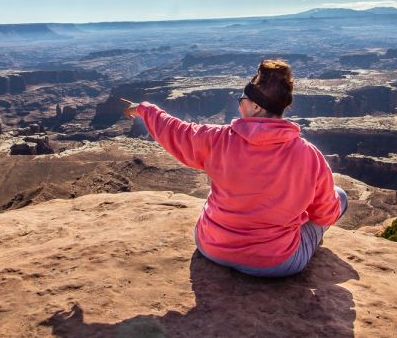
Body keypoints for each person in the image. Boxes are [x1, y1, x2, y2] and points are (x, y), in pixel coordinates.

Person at [123, 59, 348, 278]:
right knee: (340, 197)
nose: (240, 104)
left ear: (256, 106)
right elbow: (325, 214)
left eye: (243, 100)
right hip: (275, 264)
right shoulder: (309, 155)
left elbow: (176, 131)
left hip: (212, 247)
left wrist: (144, 110)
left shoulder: (217, 139)